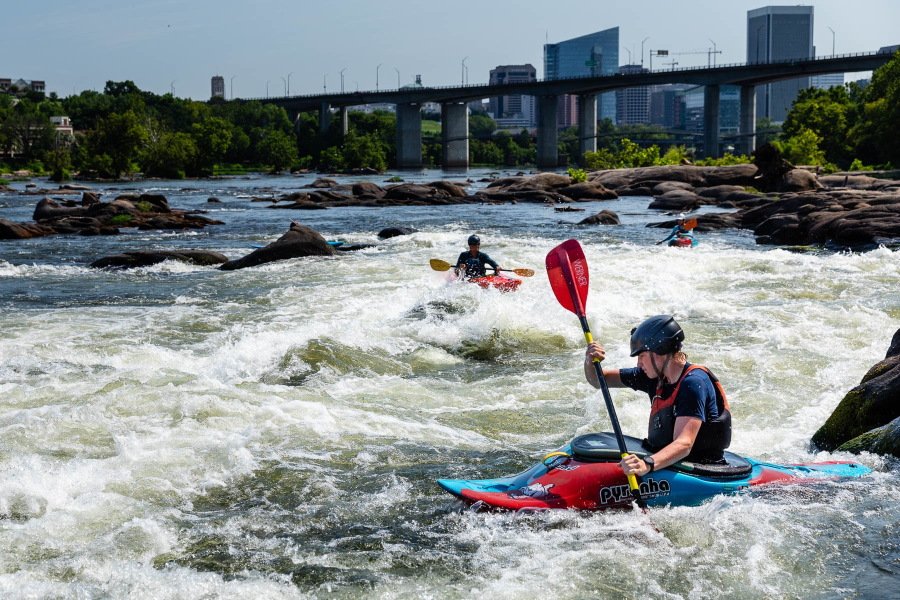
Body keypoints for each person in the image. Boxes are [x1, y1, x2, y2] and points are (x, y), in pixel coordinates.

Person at [583, 315, 732, 478]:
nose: (638, 363)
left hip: (700, 470)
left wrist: (646, 464)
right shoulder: (652, 377)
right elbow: (598, 381)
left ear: (659, 351)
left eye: (641, 356)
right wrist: (590, 361)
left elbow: (684, 444)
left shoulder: (694, 383)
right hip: (667, 462)